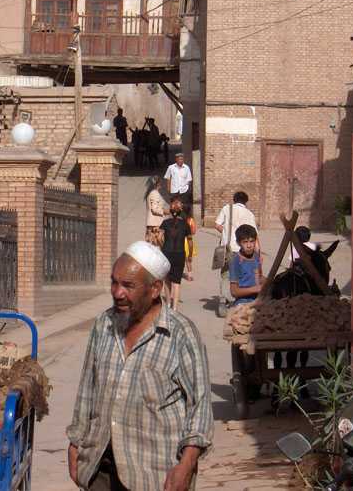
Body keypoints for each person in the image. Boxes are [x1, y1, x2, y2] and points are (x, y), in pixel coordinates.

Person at [67, 241, 213, 491]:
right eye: (114, 282)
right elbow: (87, 390)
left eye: (128, 285)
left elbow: (199, 409)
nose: (117, 292)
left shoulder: (181, 334)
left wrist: (185, 466)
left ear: (155, 288)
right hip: (100, 466)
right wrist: (75, 443)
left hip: (155, 475)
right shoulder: (104, 325)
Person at [160, 196, 193, 310]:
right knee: (177, 282)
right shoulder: (185, 224)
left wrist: (161, 245)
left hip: (166, 253)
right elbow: (190, 242)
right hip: (179, 254)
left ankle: (168, 303)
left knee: (167, 280)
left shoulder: (165, 223)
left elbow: (159, 238)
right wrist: (190, 256)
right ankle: (175, 308)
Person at [228, 225, 263, 305]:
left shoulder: (256, 256)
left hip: (258, 299)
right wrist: (255, 289)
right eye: (245, 242)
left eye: (252, 241)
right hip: (243, 302)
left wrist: (270, 282)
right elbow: (234, 291)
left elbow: (259, 277)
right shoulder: (235, 261)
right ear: (238, 243)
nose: (249, 245)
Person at [145, 176, 169, 246]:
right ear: (158, 184)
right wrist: (164, 211)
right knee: (157, 246)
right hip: (156, 224)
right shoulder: (154, 193)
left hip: (153, 223)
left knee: (152, 247)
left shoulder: (151, 193)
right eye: (160, 182)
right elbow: (154, 209)